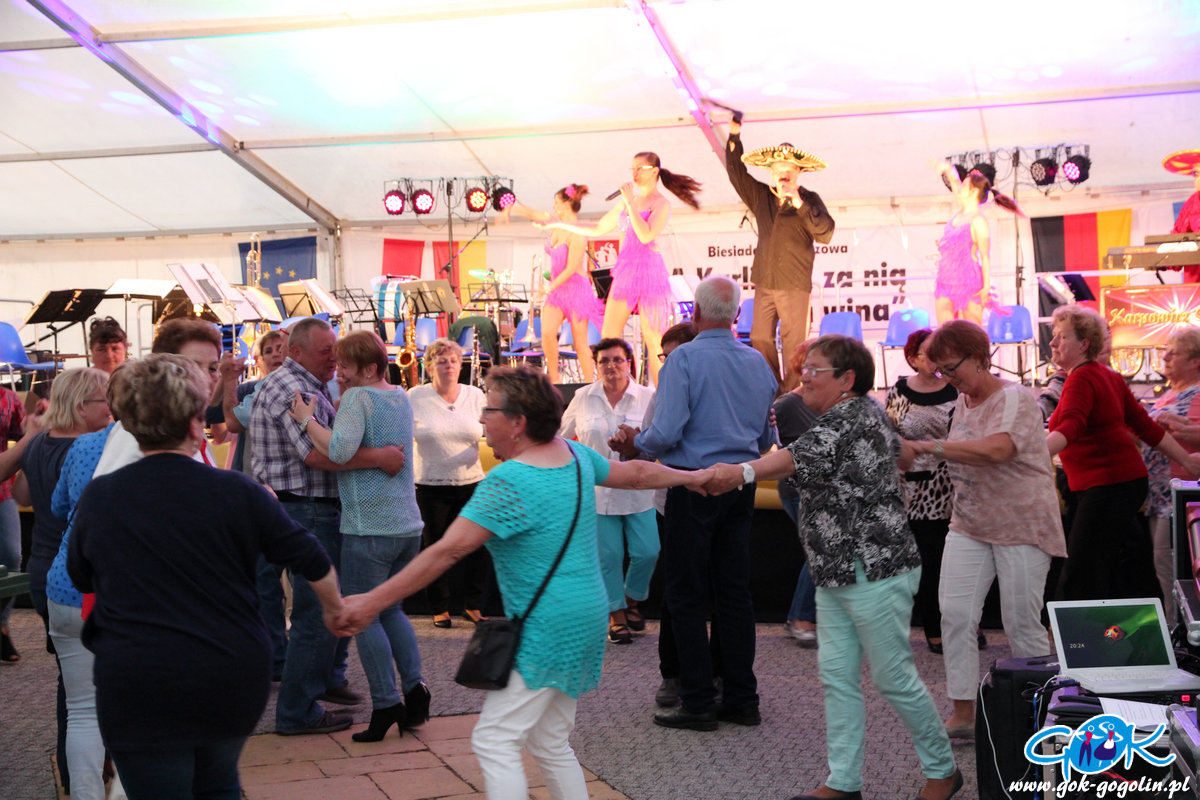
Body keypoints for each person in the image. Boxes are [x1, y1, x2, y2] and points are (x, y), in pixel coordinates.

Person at [332, 365, 708, 800]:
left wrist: (371, 602)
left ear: (517, 422)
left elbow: (445, 552)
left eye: (489, 409)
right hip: (585, 616)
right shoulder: (573, 455)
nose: (480, 419)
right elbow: (638, 475)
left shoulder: (509, 481)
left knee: (495, 740)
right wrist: (694, 477)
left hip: (547, 626)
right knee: (550, 742)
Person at [66, 354, 341, 800]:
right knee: (219, 784)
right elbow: (311, 556)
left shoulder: (103, 497)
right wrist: (336, 610)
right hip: (229, 674)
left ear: (130, 426)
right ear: (197, 427)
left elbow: (81, 576)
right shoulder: (239, 491)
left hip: (139, 678)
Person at [704, 334, 961, 800]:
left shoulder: (849, 418)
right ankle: (843, 782)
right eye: (804, 368)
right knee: (838, 678)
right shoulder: (865, 412)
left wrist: (739, 472)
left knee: (893, 677)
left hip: (873, 567)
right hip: (838, 569)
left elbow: (794, 458)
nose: (803, 378)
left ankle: (943, 771)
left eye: (814, 370)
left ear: (846, 379)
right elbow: (899, 453)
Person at [612, 275, 777, 731]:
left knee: (686, 595)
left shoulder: (683, 359)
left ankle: (698, 699)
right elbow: (767, 436)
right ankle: (741, 698)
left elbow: (665, 433)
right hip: (739, 484)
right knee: (734, 594)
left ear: (696, 313)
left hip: (693, 485)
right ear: (737, 315)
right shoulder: (758, 362)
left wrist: (636, 442)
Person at [906, 321, 1066, 741]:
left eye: (951, 367)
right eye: (940, 370)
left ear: (979, 357)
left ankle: (1038, 716)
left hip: (1022, 524)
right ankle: (964, 712)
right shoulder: (962, 401)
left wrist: (928, 446)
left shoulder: (1015, 397)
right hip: (970, 522)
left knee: (1021, 624)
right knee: (956, 616)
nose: (948, 377)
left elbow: (998, 449)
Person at [250, 316, 404, 735]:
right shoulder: (292, 388)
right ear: (295, 352)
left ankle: (323, 680)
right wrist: (381, 458)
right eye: (325, 352)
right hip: (306, 508)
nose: (334, 359)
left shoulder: (309, 384)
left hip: (306, 507)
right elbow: (317, 455)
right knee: (317, 612)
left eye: (335, 351)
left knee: (327, 605)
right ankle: (297, 711)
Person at [288, 330, 430, 741]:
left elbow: (338, 451)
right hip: (407, 524)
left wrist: (306, 420)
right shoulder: (400, 395)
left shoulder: (357, 398)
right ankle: (415, 688)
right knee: (392, 612)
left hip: (369, 527)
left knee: (364, 616)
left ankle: (386, 703)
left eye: (346, 366)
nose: (340, 373)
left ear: (368, 368)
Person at [1046, 305, 1200, 601]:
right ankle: (1124, 624)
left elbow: (1072, 426)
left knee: (1082, 572)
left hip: (1108, 484)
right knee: (1111, 567)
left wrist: (1028, 455)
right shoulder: (1105, 375)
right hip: (1119, 484)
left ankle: (1083, 628)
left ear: (1084, 344)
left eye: (1062, 337)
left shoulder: (1082, 377)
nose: (1053, 343)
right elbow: (1146, 427)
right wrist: (1186, 462)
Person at [14, 368, 109, 792]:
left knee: (70, 679)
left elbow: (22, 496)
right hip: (76, 578)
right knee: (86, 690)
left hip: (43, 571)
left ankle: (76, 776)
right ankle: (88, 773)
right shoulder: (88, 449)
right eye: (104, 402)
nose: (111, 410)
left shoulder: (39, 444)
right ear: (82, 405)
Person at [541, 152, 701, 385]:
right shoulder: (627, 201)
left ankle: (663, 393)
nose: (634, 173)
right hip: (625, 272)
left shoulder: (661, 203)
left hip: (649, 272)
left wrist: (630, 205)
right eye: (632, 168)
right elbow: (598, 228)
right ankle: (609, 389)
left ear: (654, 171)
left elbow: (646, 235)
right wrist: (564, 225)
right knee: (609, 337)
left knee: (653, 339)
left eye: (639, 169)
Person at [726, 117, 835, 390]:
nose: (783, 175)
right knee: (759, 337)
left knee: (794, 345)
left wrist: (799, 204)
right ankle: (774, 390)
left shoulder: (809, 199)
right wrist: (734, 137)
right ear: (771, 173)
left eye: (788, 170)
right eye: (778, 170)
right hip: (765, 281)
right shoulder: (761, 196)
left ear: (798, 173)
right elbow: (736, 173)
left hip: (794, 284)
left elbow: (825, 233)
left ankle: (794, 395)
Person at [560, 337, 656, 645]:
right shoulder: (582, 397)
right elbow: (562, 437)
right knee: (609, 556)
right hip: (598, 491)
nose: (611, 365)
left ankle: (631, 600)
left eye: (617, 359)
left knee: (648, 552)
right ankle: (616, 616)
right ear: (596, 365)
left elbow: (660, 440)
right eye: (604, 361)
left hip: (639, 488)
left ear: (629, 363)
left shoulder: (649, 397)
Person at [219, 328, 290, 677]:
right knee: (263, 577)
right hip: (254, 490)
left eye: (281, 348)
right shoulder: (248, 390)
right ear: (258, 360)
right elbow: (226, 422)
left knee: (286, 577)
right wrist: (228, 380)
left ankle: (286, 653)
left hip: (287, 491)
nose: (276, 354)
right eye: (269, 350)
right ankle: (275, 654)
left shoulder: (294, 387)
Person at [409, 338, 493, 629]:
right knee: (436, 548)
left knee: (478, 547)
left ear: (461, 365)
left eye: (454, 361)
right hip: (430, 485)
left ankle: (473, 605)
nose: (449, 366)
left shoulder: (475, 395)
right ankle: (440, 608)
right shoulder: (415, 396)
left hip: (472, 483)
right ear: (430, 366)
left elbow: (491, 429)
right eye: (442, 361)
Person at [883, 329, 958, 654]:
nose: (936, 357)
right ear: (913, 358)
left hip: (955, 486)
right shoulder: (899, 390)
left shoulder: (956, 388)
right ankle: (934, 626)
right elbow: (889, 437)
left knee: (958, 562)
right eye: (928, 352)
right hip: (914, 490)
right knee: (928, 561)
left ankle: (963, 623)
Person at [504, 184, 601, 384]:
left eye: (557, 202)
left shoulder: (577, 233)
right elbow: (533, 213)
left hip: (576, 291)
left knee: (580, 342)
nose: (554, 206)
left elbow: (571, 267)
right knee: (547, 333)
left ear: (566, 204)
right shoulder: (555, 224)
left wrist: (550, 286)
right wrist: (511, 208)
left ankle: (590, 384)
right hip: (558, 291)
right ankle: (554, 381)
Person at [1142, 326, 1200, 617]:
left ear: (1195, 361)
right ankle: (1173, 619)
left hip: (1184, 494)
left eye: (1173, 353)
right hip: (1160, 494)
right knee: (1163, 562)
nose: (1164, 358)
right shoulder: (1167, 394)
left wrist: (1178, 428)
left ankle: (1179, 622)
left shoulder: (1197, 394)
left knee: (1171, 561)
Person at [933, 162, 1024, 325]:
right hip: (946, 278)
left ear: (974, 191)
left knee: (971, 330)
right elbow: (954, 182)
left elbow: (985, 256)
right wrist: (948, 169)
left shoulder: (978, 220)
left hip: (968, 279)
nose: (960, 188)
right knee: (944, 329)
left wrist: (986, 286)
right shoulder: (961, 213)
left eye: (965, 185)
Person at [775, 340, 820, 646]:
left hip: (827, 490)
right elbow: (769, 439)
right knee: (820, 548)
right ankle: (801, 618)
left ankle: (798, 617)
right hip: (798, 488)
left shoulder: (835, 401)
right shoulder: (788, 404)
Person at [0, 384, 27, 664]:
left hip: (2, 490)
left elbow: (23, 436)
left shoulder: (7, 398)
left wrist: (39, 419)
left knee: (11, 556)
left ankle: (2, 624)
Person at [1163, 149, 1200, 283]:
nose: (1197, 179)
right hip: (1196, 280)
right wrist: (1164, 257)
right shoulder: (1191, 204)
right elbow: (1177, 238)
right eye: (1195, 174)